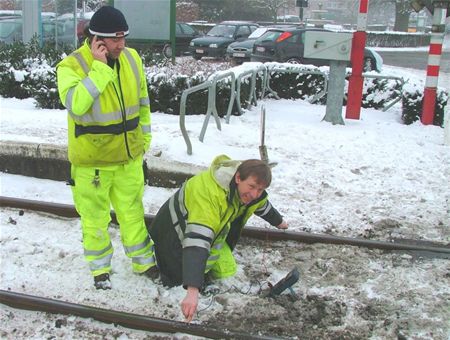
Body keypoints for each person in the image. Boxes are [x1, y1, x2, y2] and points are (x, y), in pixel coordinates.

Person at [56, 6, 157, 290]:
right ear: (96, 40)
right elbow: (76, 104)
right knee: (95, 221)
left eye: (123, 37)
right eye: (115, 39)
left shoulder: (132, 59)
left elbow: (144, 103)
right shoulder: (71, 67)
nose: (121, 44)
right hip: (93, 164)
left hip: (128, 159)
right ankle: (100, 271)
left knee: (133, 214)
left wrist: (144, 141)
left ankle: (144, 263)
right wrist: (99, 70)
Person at [148, 155, 288, 322]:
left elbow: (261, 205)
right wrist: (193, 290)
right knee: (177, 280)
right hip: (172, 237)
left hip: (204, 236)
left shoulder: (245, 189)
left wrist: (279, 222)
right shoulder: (210, 194)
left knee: (226, 271)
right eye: (251, 187)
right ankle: (184, 274)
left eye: (259, 189)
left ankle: (201, 274)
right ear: (237, 178)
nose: (254, 194)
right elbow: (197, 240)